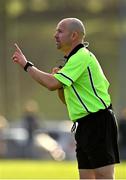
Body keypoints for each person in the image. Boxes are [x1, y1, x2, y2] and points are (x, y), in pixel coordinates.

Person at [12, 18, 120, 179]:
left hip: (98, 122)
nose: (55, 35)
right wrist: (60, 86)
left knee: (103, 176)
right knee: (86, 177)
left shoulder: (81, 56)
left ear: (74, 35)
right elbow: (65, 99)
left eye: (60, 31)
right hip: (84, 125)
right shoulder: (71, 62)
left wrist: (26, 65)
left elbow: (50, 83)